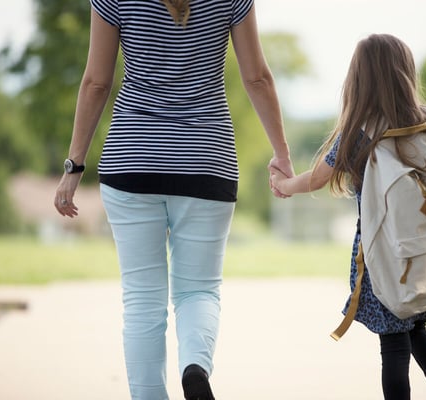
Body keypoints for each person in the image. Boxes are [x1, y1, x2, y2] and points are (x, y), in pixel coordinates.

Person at [53, 1, 293, 399]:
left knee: (142, 301)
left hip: (132, 160)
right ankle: (195, 366)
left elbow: (97, 82)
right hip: (206, 161)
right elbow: (258, 78)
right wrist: (282, 154)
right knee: (198, 290)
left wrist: (73, 165)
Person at [269, 33, 426, 400]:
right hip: (422, 253)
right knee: (416, 329)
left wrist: (283, 184)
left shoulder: (360, 130)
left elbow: (317, 178)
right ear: (404, 74)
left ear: (359, 80)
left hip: (380, 256)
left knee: (394, 345)